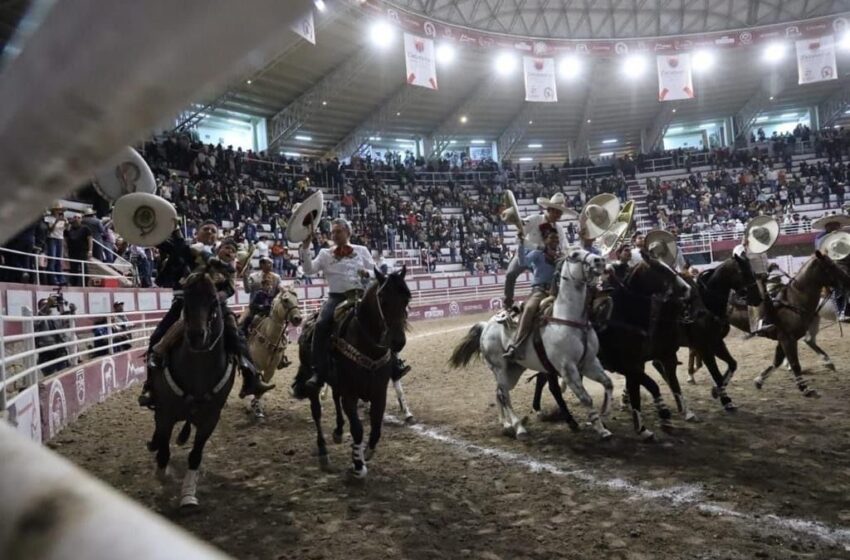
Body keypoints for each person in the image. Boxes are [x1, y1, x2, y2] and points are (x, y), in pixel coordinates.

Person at [138, 219, 271, 407]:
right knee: (156, 336)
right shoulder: (196, 252)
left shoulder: (224, 264)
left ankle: (251, 376)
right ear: (198, 233)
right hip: (186, 302)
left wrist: (217, 297)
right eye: (206, 229)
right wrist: (162, 234)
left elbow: (230, 289)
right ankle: (150, 385)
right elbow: (178, 249)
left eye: (213, 230)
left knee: (237, 334)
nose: (210, 232)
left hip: (214, 304)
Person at [294, 218, 409, 397]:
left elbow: (377, 272)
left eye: (338, 231)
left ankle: (394, 363)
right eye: (333, 232)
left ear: (348, 232)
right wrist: (306, 248)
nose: (334, 235)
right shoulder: (325, 253)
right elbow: (309, 270)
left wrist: (368, 273)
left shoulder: (361, 250)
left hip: (361, 296)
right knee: (322, 324)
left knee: (384, 321)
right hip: (336, 298)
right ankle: (318, 371)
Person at [503, 193, 569, 309]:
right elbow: (518, 239)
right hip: (526, 254)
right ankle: (508, 301)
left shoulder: (559, 229)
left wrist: (561, 253)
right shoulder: (533, 219)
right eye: (557, 212)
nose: (558, 216)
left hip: (544, 259)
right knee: (510, 274)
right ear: (549, 210)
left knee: (545, 280)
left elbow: (565, 247)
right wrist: (539, 248)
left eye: (560, 213)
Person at [503, 230, 560, 360]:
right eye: (552, 238)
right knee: (529, 309)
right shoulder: (537, 254)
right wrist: (521, 244)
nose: (555, 241)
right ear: (545, 240)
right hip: (540, 291)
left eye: (557, 238)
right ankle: (517, 344)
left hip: (558, 292)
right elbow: (523, 263)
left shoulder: (561, 256)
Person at [241, 256, 282, 335]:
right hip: (254, 307)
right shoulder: (253, 276)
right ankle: (244, 335)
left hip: (270, 308)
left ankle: (283, 335)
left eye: (271, 263)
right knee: (243, 321)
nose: (271, 265)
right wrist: (245, 277)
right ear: (262, 265)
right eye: (268, 263)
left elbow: (279, 289)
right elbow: (247, 290)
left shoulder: (277, 277)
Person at [64, 214, 92, 286]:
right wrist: (66, 251)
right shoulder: (69, 229)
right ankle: (74, 284)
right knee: (73, 269)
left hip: (82, 252)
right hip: (72, 252)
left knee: (84, 269)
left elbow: (90, 239)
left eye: (78, 218)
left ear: (81, 219)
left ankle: (85, 284)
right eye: (75, 217)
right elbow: (65, 240)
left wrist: (90, 250)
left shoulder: (85, 228)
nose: (76, 219)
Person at [45, 203, 67, 285]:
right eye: (57, 210)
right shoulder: (49, 218)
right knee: (52, 259)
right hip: (52, 238)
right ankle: (52, 278)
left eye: (60, 210)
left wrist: (66, 223)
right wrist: (56, 221)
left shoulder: (63, 219)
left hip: (60, 238)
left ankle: (60, 278)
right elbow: (50, 230)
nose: (59, 211)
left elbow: (65, 230)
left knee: (58, 260)